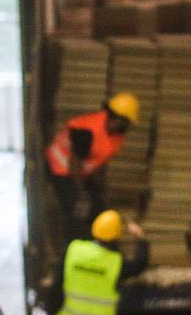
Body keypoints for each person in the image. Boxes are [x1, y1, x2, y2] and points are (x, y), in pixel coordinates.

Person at [45, 92, 140, 245]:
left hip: (81, 172)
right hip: (60, 169)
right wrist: (80, 192)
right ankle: (73, 244)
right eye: (127, 122)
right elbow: (75, 162)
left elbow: (101, 159)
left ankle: (94, 239)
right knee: (75, 208)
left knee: (97, 204)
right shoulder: (87, 131)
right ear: (118, 119)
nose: (128, 126)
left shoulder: (115, 135)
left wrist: (97, 183)